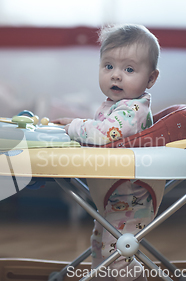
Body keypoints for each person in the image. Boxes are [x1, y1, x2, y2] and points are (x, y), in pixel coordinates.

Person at [53, 24, 161, 281]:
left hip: (132, 196)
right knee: (102, 249)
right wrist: (75, 123)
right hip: (114, 194)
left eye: (129, 69)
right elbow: (102, 131)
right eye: (109, 66)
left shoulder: (133, 110)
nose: (116, 75)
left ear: (151, 79)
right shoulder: (118, 106)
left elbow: (105, 133)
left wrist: (76, 127)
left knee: (119, 257)